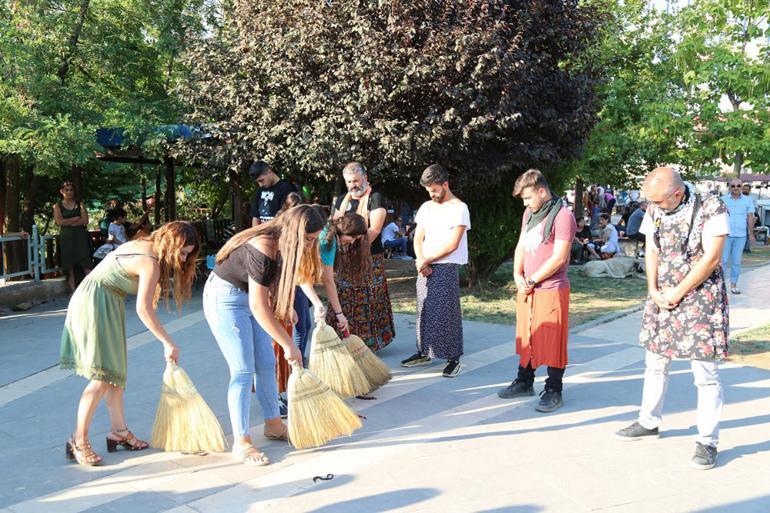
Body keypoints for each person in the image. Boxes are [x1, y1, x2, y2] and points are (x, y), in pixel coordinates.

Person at [615, 167, 729, 470]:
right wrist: (652, 289)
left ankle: (708, 441)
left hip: (700, 298)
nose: (654, 208)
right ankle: (648, 421)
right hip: (663, 295)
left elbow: (712, 257)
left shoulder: (712, 206)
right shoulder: (655, 206)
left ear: (676, 194)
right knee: (654, 363)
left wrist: (678, 291)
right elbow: (651, 250)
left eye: (660, 202)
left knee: (705, 374)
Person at [60, 222, 199, 466]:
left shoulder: (146, 245)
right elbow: (143, 309)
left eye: (188, 253)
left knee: (114, 374)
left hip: (104, 301)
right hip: (95, 304)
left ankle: (119, 432)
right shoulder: (150, 261)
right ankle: (78, 440)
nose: (184, 258)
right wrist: (168, 343)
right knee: (103, 375)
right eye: (183, 251)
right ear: (172, 243)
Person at [203, 205, 325, 466]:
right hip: (225, 299)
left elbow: (273, 282)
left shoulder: (284, 244)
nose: (309, 246)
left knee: (267, 363)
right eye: (309, 239)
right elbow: (259, 306)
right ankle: (242, 442)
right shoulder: (264, 245)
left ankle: (273, 424)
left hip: (249, 296)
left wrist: (286, 305)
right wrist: (289, 344)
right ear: (295, 232)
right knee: (243, 371)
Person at [498, 169, 576, 412]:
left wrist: (532, 280)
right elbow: (521, 244)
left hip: (551, 288)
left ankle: (554, 389)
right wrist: (517, 274)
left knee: (553, 341)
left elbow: (560, 258)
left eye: (528, 198)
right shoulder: (529, 213)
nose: (525, 203)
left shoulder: (563, 216)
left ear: (542, 191)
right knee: (527, 336)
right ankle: (524, 380)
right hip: (528, 287)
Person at [400, 164, 471, 378]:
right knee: (424, 309)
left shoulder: (459, 208)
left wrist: (428, 259)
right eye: (428, 190)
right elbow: (418, 236)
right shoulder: (426, 207)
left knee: (446, 311)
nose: (431, 193)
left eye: (433, 189)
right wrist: (420, 259)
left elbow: (453, 244)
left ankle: (453, 357)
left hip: (446, 265)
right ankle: (423, 351)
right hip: (425, 264)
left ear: (445, 184)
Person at [331, 162, 395, 350]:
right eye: (349, 181)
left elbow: (374, 229)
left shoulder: (376, 198)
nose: (353, 185)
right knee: (344, 297)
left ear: (365, 178)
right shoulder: (342, 199)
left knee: (369, 300)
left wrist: (354, 244)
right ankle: (342, 340)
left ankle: (370, 344)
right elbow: (334, 224)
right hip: (343, 259)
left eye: (356, 180)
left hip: (369, 258)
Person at [53, 182, 93, 292]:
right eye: (67, 190)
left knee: (86, 264)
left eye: (71, 190)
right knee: (69, 265)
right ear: (62, 191)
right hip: (66, 238)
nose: (70, 192)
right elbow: (59, 222)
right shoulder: (57, 205)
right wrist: (76, 218)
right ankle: (73, 292)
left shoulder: (80, 203)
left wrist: (69, 222)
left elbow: (85, 220)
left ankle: (92, 290)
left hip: (80, 236)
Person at [721, 178, 755, 294]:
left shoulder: (748, 200)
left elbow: (750, 217)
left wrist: (751, 233)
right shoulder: (722, 200)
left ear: (742, 187)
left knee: (736, 261)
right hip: (726, 234)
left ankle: (734, 285)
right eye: (733, 186)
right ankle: (720, 285)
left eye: (738, 186)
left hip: (741, 235)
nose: (735, 188)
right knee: (723, 260)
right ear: (729, 187)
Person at [249, 160, 295, 227]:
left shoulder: (285, 189)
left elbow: (286, 218)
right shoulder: (260, 190)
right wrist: (256, 235)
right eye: (257, 182)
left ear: (269, 172)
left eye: (261, 180)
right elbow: (255, 217)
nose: (260, 185)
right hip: (261, 234)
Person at [741, 183, 758, 253]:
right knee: (742, 233)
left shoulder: (753, 197)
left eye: (747, 189)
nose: (745, 191)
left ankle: (747, 248)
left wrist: (755, 217)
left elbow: (755, 207)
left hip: (751, 216)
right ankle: (741, 248)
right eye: (744, 189)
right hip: (741, 217)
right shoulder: (739, 196)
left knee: (749, 232)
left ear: (749, 190)